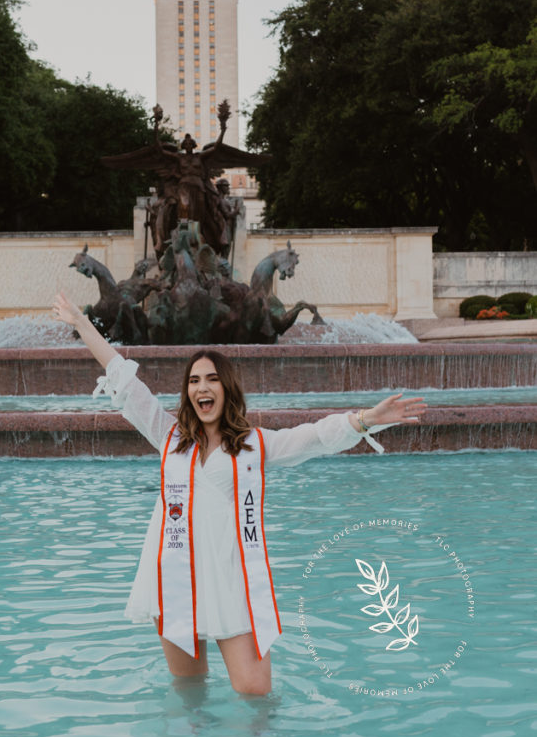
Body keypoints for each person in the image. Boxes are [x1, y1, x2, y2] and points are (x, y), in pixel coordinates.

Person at [52, 291, 426, 696]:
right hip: (177, 576)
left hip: (232, 581)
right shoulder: (170, 437)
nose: (202, 387)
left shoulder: (254, 446)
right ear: (188, 394)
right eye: (194, 381)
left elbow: (313, 437)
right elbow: (124, 378)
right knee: (188, 695)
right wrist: (81, 323)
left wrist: (364, 420)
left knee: (254, 694)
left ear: (227, 388)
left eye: (212, 379)